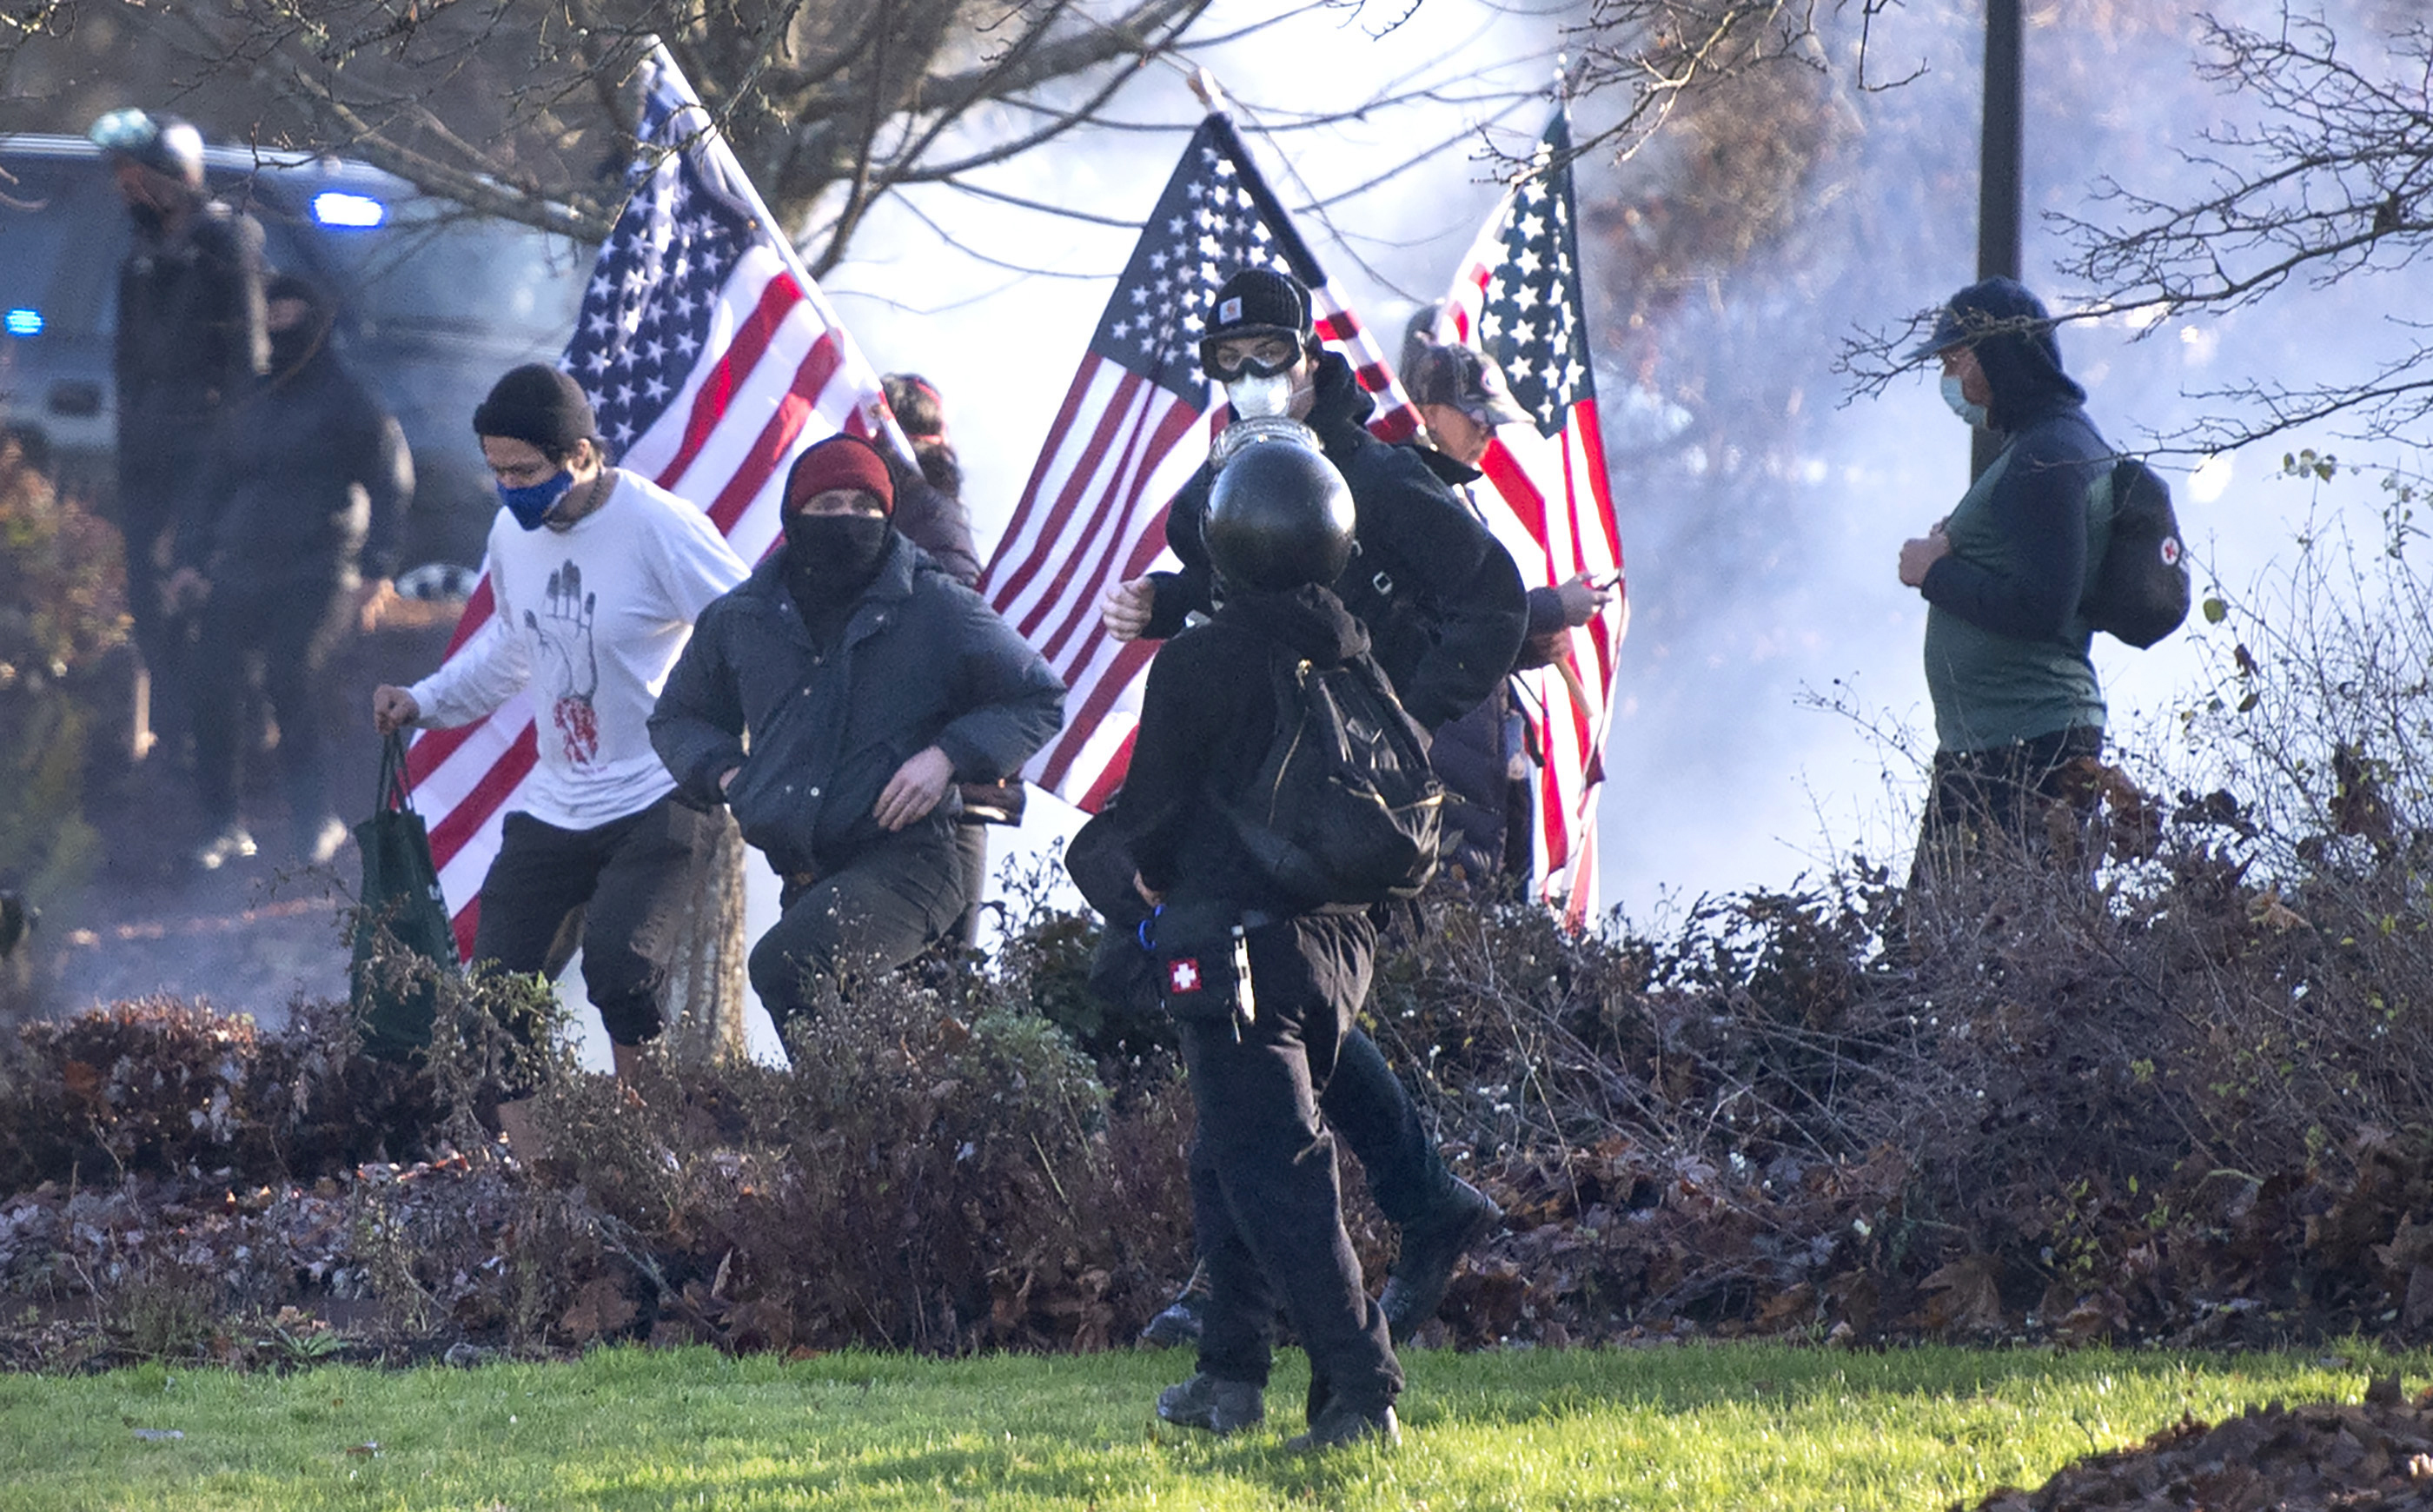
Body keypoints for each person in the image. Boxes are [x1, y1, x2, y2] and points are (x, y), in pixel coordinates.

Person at [1105, 268, 1513, 1347]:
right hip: (1267, 790)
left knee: (1261, 1018)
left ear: (1309, 359)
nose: (1248, 381)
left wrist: (1403, 723)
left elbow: (1496, 598)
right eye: (1226, 365)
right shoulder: (1224, 480)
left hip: (1363, 799)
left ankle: (1227, 1306)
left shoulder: (1372, 479)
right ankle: (1422, 1209)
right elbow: (1250, 590)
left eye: (1266, 359)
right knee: (1284, 1017)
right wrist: (1171, 599)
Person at [1121, 429, 1403, 1450]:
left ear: (1225, 542)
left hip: (1237, 951)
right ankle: (1229, 1375)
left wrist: (1153, 873)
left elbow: (1148, 822)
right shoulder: (1351, 644)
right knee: (1229, 1155)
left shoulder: (1200, 660)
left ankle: (1362, 1394)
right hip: (1340, 949)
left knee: (1275, 1168)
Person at [371, 365, 747, 1104]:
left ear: (580, 453)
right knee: (501, 993)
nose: (511, 488)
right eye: (497, 472)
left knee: (621, 969)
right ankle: (537, 1170)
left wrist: (725, 744)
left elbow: (748, 630)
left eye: (526, 470)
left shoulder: (657, 526)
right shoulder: (516, 536)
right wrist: (424, 701)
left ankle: (646, 1141)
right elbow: (514, 651)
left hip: (658, 790)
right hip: (559, 798)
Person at [647, 434, 1064, 1039]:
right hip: (805, 872)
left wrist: (946, 757)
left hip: (914, 862)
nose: (847, 519)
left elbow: (1037, 696)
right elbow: (677, 717)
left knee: (786, 966)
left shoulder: (935, 604)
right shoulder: (742, 618)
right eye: (828, 505)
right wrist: (728, 773)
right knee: (889, 1042)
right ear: (795, 516)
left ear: (888, 515)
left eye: (864, 506)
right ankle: (866, 1127)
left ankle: (859, 1119)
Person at [169, 273, 413, 869]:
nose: (280, 326)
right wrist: (191, 559)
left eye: (292, 316)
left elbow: (390, 480)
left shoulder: (349, 399)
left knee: (291, 679)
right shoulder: (250, 397)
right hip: (243, 566)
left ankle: (316, 820)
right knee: (212, 684)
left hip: (317, 568)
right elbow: (212, 482)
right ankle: (221, 825)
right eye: (271, 315)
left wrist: (378, 568)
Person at [1895, 276, 2112, 889]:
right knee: (1982, 942)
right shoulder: (2052, 441)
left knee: (1944, 948)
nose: (1948, 376)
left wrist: (1934, 572)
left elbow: (2042, 607)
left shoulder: (2045, 457)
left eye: (1954, 358)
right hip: (2005, 740)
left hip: (2020, 748)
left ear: (1998, 356)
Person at [1402, 335, 1615, 883]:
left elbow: (1471, 633)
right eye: (1474, 417)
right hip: (1434, 773)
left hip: (1481, 772)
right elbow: (1443, 618)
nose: (1487, 433)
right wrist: (1548, 609)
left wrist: (1527, 645)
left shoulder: (1456, 496)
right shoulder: (1404, 499)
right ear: (1427, 413)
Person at [89, 108, 268, 756]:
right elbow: (128, 361)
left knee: (204, 593)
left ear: (174, 176)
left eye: (134, 174)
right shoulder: (138, 252)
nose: (124, 188)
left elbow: (248, 360)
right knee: (149, 597)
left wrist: (231, 455)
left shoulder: (226, 243)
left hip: (207, 450)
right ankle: (168, 732)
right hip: (148, 451)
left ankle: (239, 733)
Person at [880, 371, 1023, 940]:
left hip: (944, 786)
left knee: (936, 978)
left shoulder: (927, 520)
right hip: (930, 785)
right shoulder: (928, 513)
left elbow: (962, 643)